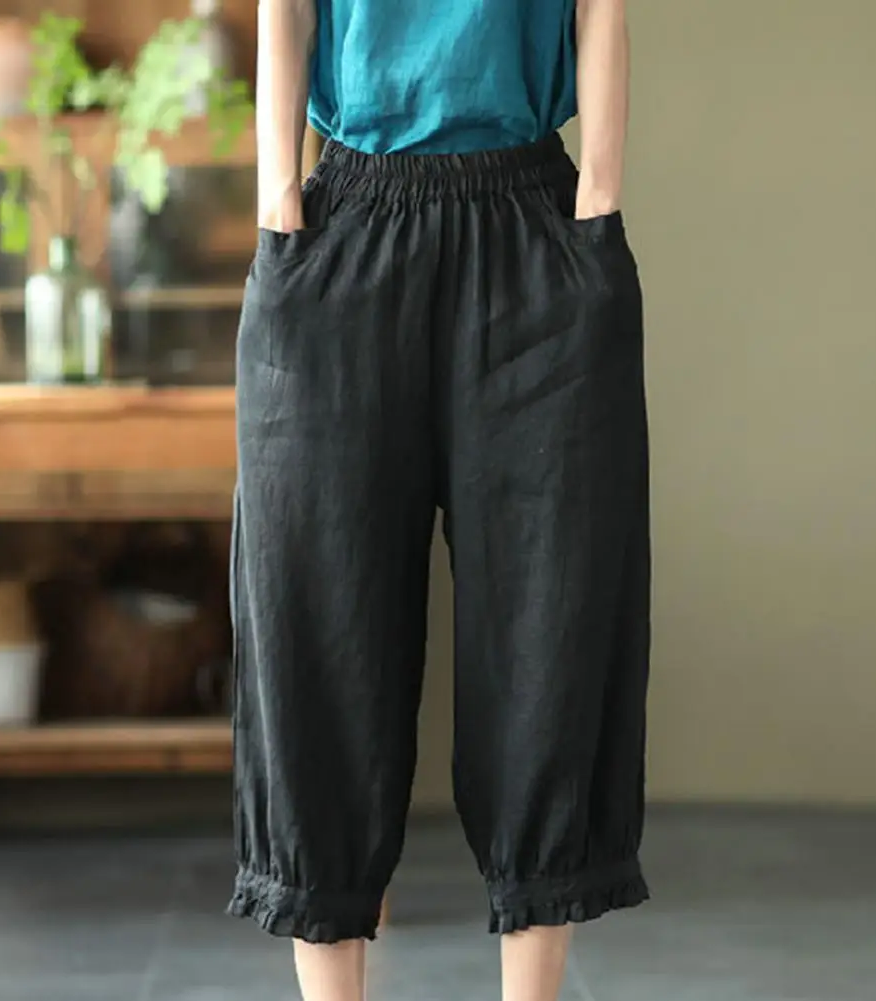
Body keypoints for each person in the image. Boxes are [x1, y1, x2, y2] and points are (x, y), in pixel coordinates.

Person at [228, 1, 650, 999]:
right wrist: (277, 200)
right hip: (343, 225)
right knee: (313, 620)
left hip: (536, 229)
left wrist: (598, 195)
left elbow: (598, 6)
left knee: (552, 623)